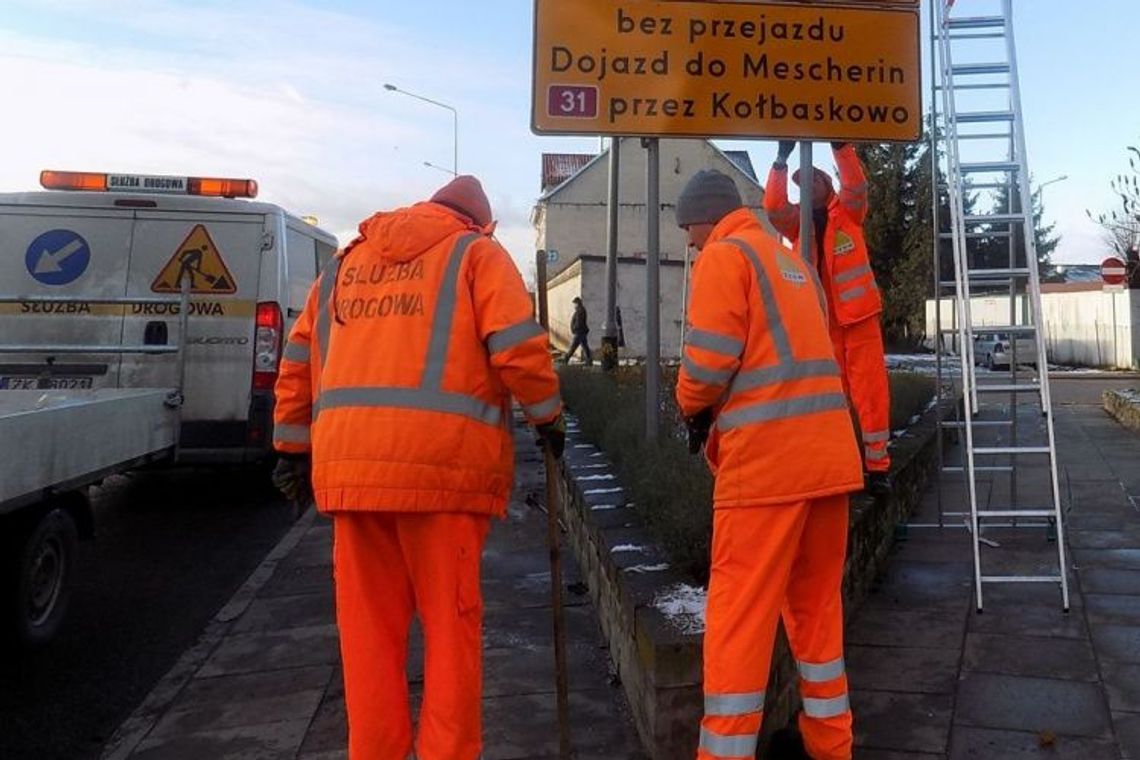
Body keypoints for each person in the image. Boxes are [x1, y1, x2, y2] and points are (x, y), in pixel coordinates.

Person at [271, 175, 565, 760]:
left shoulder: (343, 266)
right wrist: (548, 417)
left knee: (368, 640)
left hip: (353, 479)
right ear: (479, 222)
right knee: (450, 636)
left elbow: (298, 358)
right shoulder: (476, 254)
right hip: (443, 478)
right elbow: (517, 348)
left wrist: (290, 449)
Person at [674, 169, 863, 760]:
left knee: (739, 621)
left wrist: (688, 405)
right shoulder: (793, 265)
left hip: (765, 471)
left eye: (688, 229)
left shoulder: (725, 257)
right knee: (817, 618)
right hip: (828, 463)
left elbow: (708, 363)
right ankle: (832, 746)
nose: (688, 242)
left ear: (706, 218)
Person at [765, 141, 892, 494]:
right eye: (801, 182)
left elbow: (856, 186)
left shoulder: (849, 213)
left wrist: (841, 147)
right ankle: (844, 464)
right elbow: (774, 208)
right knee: (833, 398)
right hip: (823, 325)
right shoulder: (798, 224)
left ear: (826, 183)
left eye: (813, 180)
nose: (808, 186)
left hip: (860, 319)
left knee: (870, 394)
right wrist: (780, 162)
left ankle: (878, 468)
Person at [565, 295, 593, 365]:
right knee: (584, 346)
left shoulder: (580, 311)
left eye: (574, 303)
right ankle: (589, 360)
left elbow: (579, 322)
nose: (574, 305)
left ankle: (566, 358)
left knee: (574, 346)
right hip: (581, 331)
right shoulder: (580, 310)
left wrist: (574, 328)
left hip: (579, 332)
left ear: (577, 303)